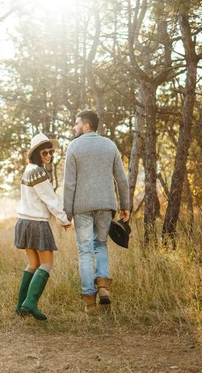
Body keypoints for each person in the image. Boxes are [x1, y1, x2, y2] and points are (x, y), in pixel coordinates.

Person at [63, 110, 130, 313]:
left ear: (86, 126)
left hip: (81, 207)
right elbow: (121, 179)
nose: (74, 127)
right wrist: (125, 205)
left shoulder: (74, 147)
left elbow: (69, 184)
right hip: (105, 205)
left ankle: (90, 303)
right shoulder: (109, 145)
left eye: (76, 123)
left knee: (85, 251)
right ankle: (103, 287)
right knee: (100, 245)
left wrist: (67, 212)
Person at [14, 133, 71, 321]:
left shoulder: (28, 169)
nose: (48, 156)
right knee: (46, 264)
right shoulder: (38, 172)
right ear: (36, 154)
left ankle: (20, 306)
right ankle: (30, 303)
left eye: (50, 152)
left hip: (24, 221)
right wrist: (64, 220)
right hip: (37, 223)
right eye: (44, 153)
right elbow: (50, 200)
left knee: (33, 264)